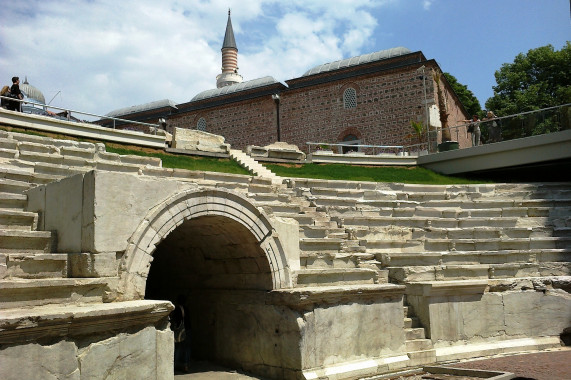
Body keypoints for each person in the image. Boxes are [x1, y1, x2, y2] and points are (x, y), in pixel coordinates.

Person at [170, 295, 191, 372]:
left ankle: (175, 364)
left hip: (179, 331)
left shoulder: (176, 309)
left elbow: (175, 321)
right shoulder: (186, 309)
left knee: (178, 348)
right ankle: (186, 365)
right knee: (187, 348)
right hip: (187, 329)